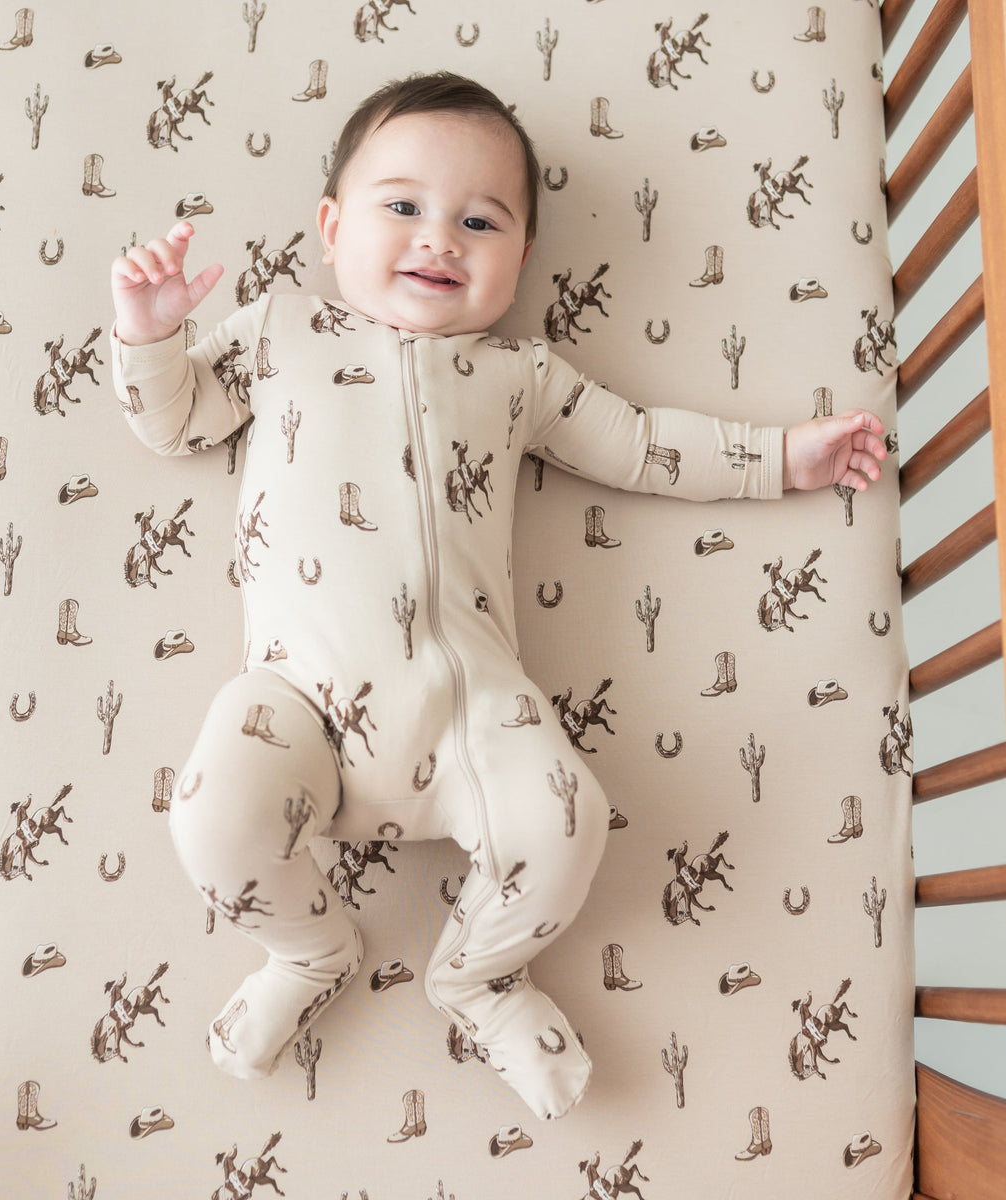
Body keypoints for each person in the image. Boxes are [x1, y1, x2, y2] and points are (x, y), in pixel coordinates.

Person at [108, 71, 887, 1120]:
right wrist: (150, 333)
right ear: (332, 229)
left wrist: (784, 457)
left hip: (475, 703)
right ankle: (307, 949)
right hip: (299, 699)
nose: (439, 238)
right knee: (211, 812)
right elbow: (176, 419)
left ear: (519, 261)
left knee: (569, 821)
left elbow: (644, 445)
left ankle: (476, 976)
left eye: (480, 220)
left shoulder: (520, 375)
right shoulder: (279, 330)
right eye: (403, 207)